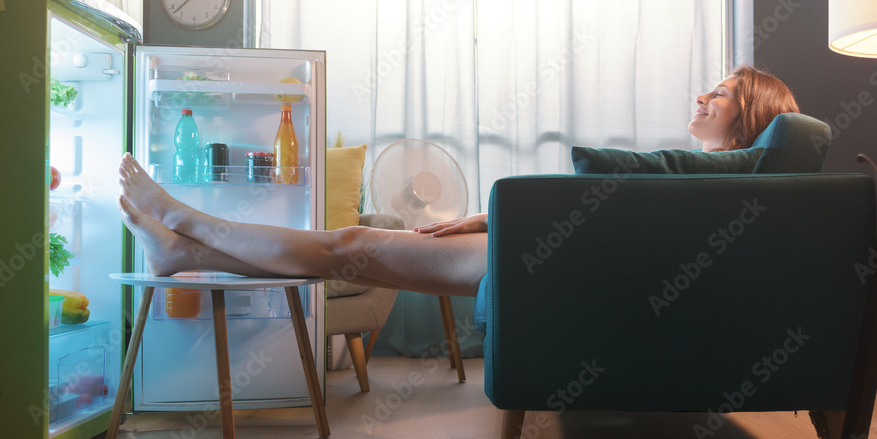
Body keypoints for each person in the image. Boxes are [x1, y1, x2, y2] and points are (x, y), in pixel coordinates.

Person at [117, 65, 800, 298]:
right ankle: (188, 253)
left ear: (753, 114)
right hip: (544, 250)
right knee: (350, 250)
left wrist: (489, 222)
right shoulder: (720, 179)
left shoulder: (713, 178)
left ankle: (190, 223)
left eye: (721, 94)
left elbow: (604, 211)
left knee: (350, 242)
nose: (703, 99)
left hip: (544, 259)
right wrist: (488, 220)